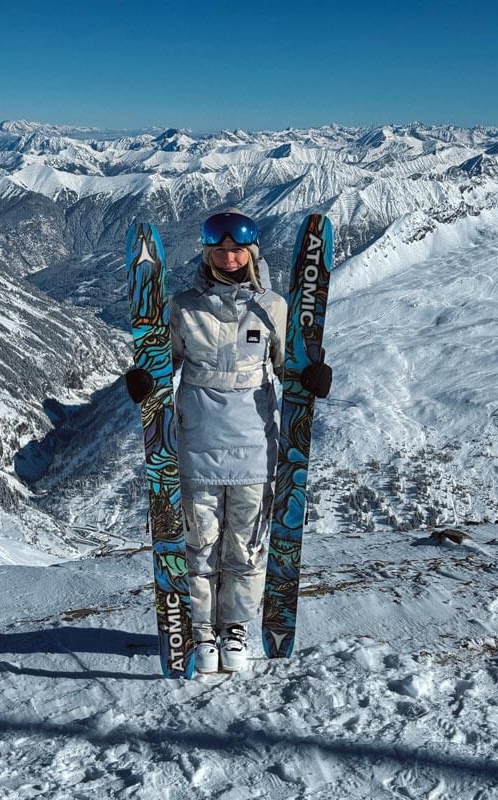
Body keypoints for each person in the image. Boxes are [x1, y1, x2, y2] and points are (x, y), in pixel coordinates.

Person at [126, 209, 332, 673]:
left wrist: (311, 378)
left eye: (237, 250)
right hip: (196, 448)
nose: (229, 257)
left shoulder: (273, 308)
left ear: (251, 253)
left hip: (256, 450)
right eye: (219, 250)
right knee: (198, 548)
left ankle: (235, 630)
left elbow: (287, 370)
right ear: (207, 253)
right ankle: (201, 635)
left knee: (246, 547)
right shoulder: (182, 308)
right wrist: (142, 383)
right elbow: (163, 368)